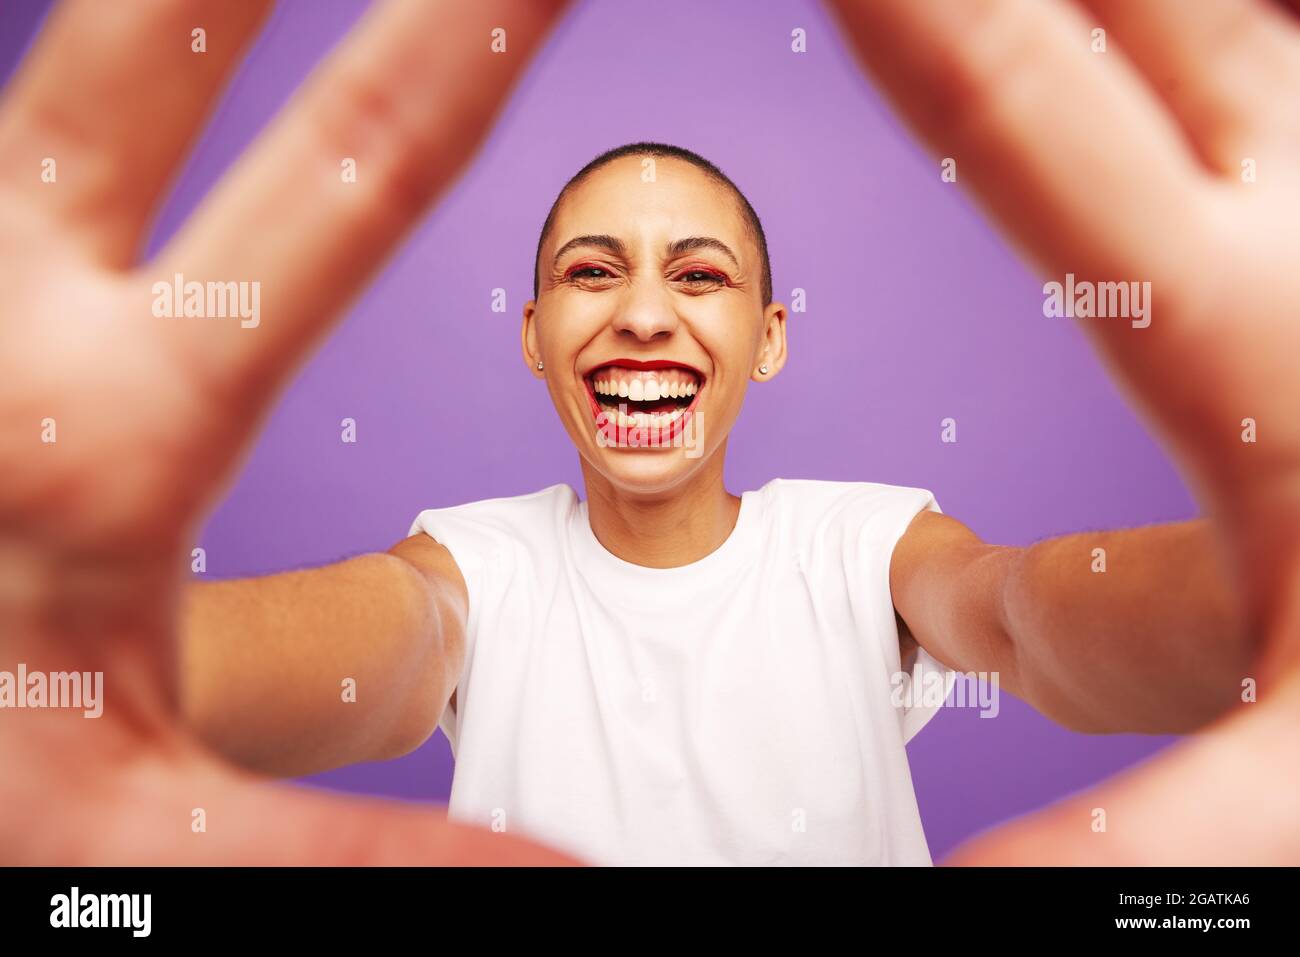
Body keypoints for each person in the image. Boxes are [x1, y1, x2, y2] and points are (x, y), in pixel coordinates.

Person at [1, 0, 1297, 865]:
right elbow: (384, 647)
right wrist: (51, 674)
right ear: (530, 333)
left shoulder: (861, 540)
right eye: (589, 271)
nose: (639, 315)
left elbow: (1019, 614)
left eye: (700, 275)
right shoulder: (476, 567)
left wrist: (1267, 597)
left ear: (771, 336)